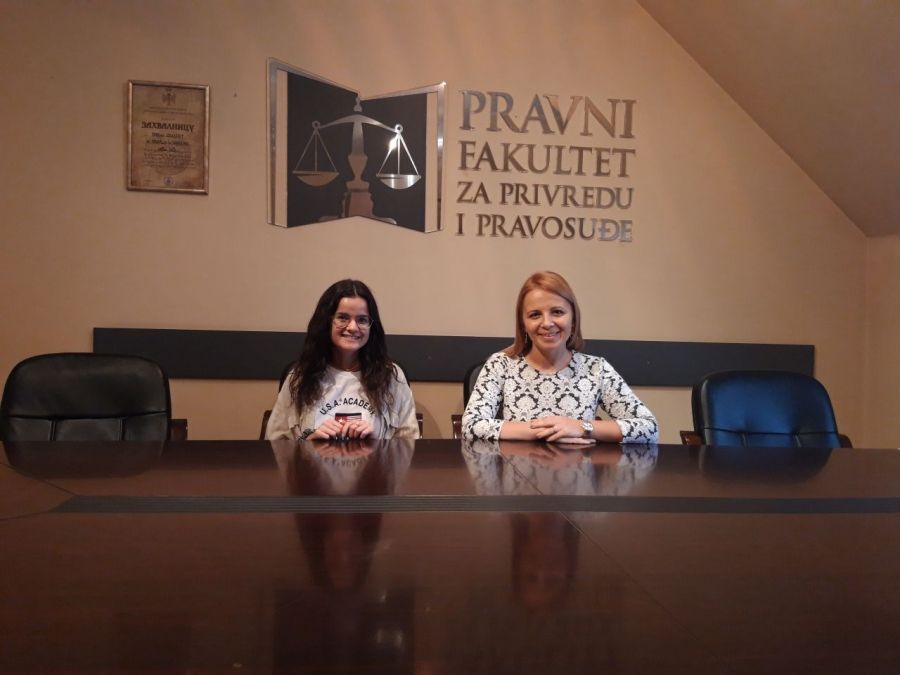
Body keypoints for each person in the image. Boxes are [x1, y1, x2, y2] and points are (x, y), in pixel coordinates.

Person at [462, 271, 658, 443]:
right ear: (523, 324)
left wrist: (580, 427)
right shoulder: (500, 365)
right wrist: (549, 431)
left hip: (579, 473)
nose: (547, 323)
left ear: (573, 319)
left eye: (557, 312)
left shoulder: (597, 369)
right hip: (517, 472)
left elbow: (649, 428)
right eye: (535, 314)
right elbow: (471, 425)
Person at [265, 279, 418, 441]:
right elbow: (274, 442)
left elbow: (410, 444)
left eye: (362, 320)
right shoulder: (300, 377)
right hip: (311, 459)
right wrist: (307, 442)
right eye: (343, 318)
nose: (352, 327)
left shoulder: (391, 377)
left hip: (376, 459)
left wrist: (377, 444)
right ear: (327, 322)